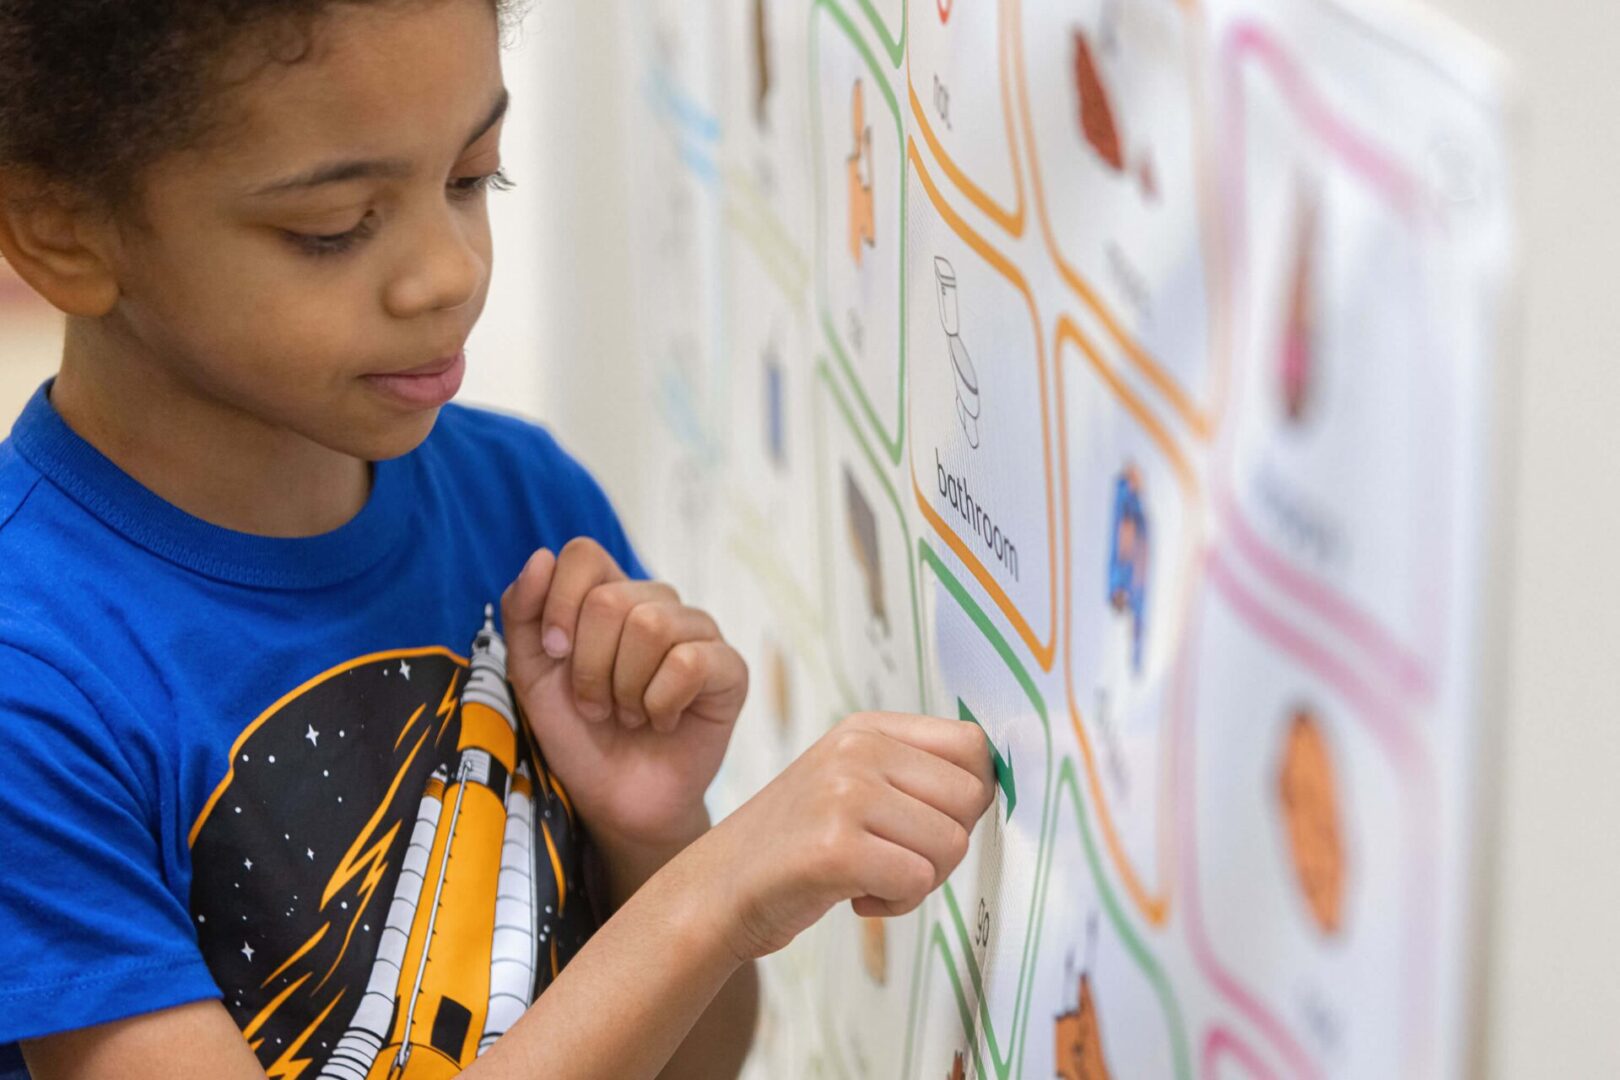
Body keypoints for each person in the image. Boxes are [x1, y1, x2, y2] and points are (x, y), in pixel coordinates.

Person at [0, 1, 995, 1077]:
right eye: (332, 228)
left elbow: (697, 1061)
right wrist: (712, 896)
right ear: (62, 229)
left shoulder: (521, 499)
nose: (449, 272)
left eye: (473, 177)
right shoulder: (29, 673)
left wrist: (652, 835)